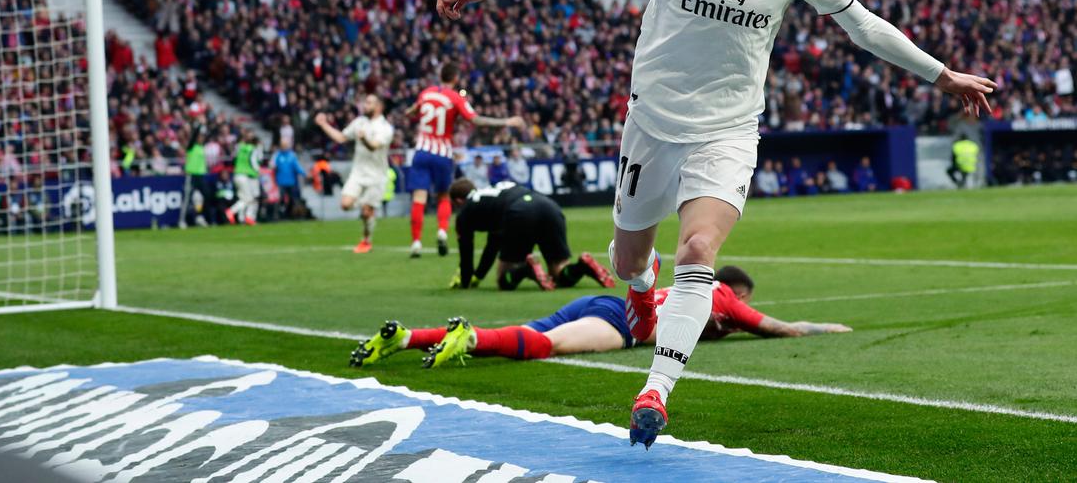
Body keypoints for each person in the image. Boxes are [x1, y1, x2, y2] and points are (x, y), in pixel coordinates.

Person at [421, 0, 996, 448]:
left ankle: (656, 389)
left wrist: (940, 75)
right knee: (628, 260)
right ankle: (642, 288)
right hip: (652, 122)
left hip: (729, 128)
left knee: (697, 251)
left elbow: (862, 25)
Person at [349, 265, 850, 369]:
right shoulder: (723, 298)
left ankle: (407, 337)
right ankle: (472, 338)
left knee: (528, 332)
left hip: (603, 303)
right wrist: (826, 329)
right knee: (546, 347)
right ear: (737, 291)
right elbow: (778, 329)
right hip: (625, 323)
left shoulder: (695, 289)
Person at [404, 62, 524, 258]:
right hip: (442, 153)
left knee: (419, 198)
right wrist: (506, 121)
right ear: (455, 78)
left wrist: (409, 112)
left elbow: (412, 110)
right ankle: (442, 231)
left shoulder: (426, 93)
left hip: (421, 151)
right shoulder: (455, 97)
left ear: (440, 76)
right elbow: (476, 120)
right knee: (443, 196)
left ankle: (416, 242)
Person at [449, 178, 615, 291]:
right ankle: (581, 267)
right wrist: (478, 275)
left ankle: (526, 269)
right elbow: (492, 245)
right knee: (558, 274)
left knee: (503, 280)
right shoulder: (493, 194)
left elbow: (466, 251)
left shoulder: (466, 211)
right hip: (548, 206)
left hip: (520, 212)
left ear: (458, 201)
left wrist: (465, 281)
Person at [315, 94, 395, 253]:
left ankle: (366, 240)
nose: (365, 105)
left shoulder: (385, 128)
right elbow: (341, 138)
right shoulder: (359, 122)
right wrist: (324, 124)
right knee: (345, 204)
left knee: (366, 212)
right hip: (358, 173)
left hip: (376, 175)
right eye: (365, 102)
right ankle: (367, 207)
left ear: (379, 107)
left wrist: (364, 139)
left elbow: (374, 146)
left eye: (369, 103)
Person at [226, 129, 263, 225]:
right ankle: (232, 211)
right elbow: (255, 161)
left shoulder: (240, 147)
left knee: (243, 198)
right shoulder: (252, 149)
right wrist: (258, 170)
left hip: (237, 174)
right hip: (245, 175)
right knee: (249, 199)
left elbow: (233, 154)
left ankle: (243, 218)